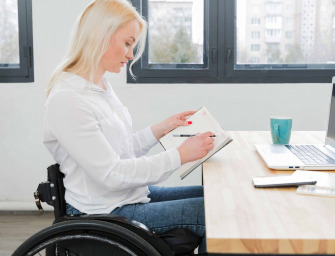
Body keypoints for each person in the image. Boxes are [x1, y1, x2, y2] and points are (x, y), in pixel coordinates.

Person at [43, 0, 214, 253]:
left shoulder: (99, 86)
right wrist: (180, 155)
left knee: (213, 196)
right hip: (104, 211)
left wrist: (160, 129)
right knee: (211, 211)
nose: (131, 55)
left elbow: (120, 150)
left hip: (124, 196)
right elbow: (112, 173)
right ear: (100, 35)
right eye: (127, 43)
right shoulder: (68, 98)